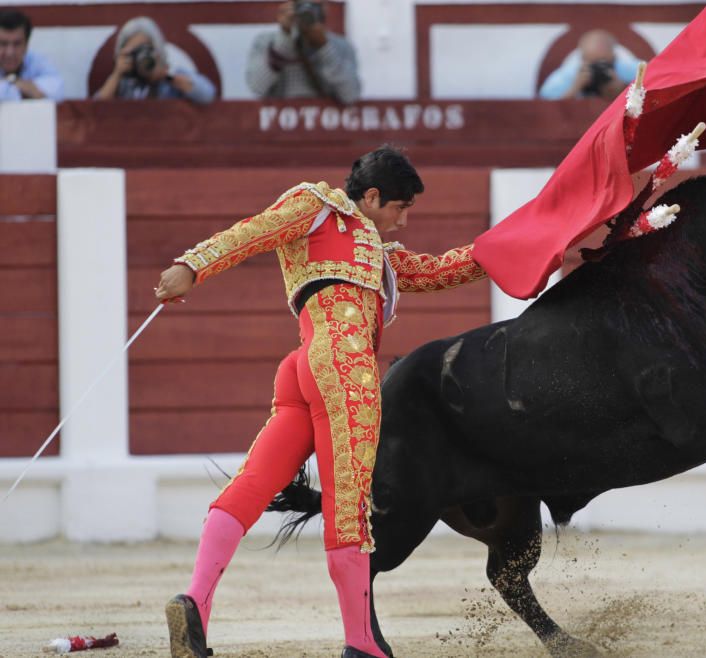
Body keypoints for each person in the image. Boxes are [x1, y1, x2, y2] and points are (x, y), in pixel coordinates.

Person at [156, 146, 486, 658]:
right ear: (372, 196)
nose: (401, 222)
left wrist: (519, 248)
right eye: (399, 208)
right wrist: (191, 266)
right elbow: (253, 231)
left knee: (254, 484)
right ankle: (361, 643)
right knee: (348, 506)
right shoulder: (317, 205)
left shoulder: (376, 251)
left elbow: (440, 269)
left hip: (303, 365)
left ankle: (196, 601)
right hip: (344, 362)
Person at [246, 0, 361, 102]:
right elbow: (257, 87)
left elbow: (351, 95)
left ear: (326, 8)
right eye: (302, 6)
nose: (308, 12)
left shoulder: (341, 46)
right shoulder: (266, 42)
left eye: (314, 6)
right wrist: (284, 38)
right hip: (278, 123)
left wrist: (324, 47)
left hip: (324, 123)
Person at [94, 16, 215, 105]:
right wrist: (117, 74)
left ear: (157, 50)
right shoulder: (123, 82)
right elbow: (97, 107)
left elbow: (207, 95)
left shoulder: (172, 76)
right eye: (135, 52)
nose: (142, 56)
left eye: (146, 49)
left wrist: (166, 77)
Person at [538, 29, 639, 101]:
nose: (598, 68)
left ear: (614, 56)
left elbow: (649, 96)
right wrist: (575, 88)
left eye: (603, 63)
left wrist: (623, 88)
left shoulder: (632, 71)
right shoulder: (569, 74)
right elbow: (546, 100)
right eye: (592, 62)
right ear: (582, 57)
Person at [0, 9, 64, 101]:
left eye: (17, 44)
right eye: (3, 44)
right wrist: (21, 87)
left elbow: (57, 90)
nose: (10, 52)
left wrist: (10, 81)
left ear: (26, 44)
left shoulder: (36, 61)